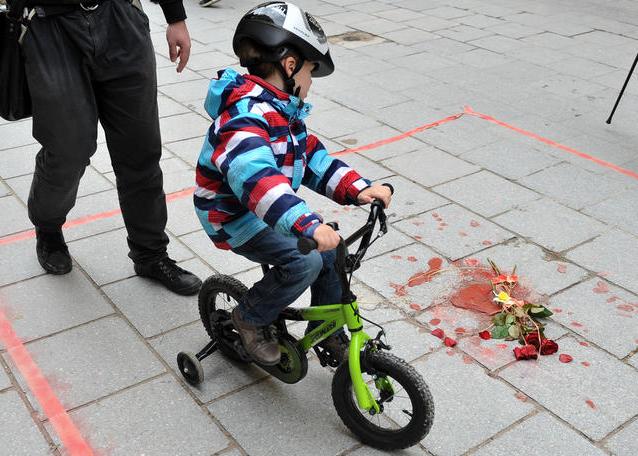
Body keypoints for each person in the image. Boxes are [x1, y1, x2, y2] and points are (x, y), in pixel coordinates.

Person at [194, 1, 392, 365]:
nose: (311, 82)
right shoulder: (245, 118)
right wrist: (307, 224)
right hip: (233, 217)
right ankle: (250, 317)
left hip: (270, 209)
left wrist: (357, 187)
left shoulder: (283, 111)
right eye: (311, 72)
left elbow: (312, 159)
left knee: (332, 253)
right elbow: (259, 181)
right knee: (305, 263)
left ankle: (328, 333)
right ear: (290, 66)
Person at [18, 0, 201, 295]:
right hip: (49, 24)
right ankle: (48, 225)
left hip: (119, 16)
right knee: (69, 149)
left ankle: (150, 253)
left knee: (140, 148)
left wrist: (175, 16)